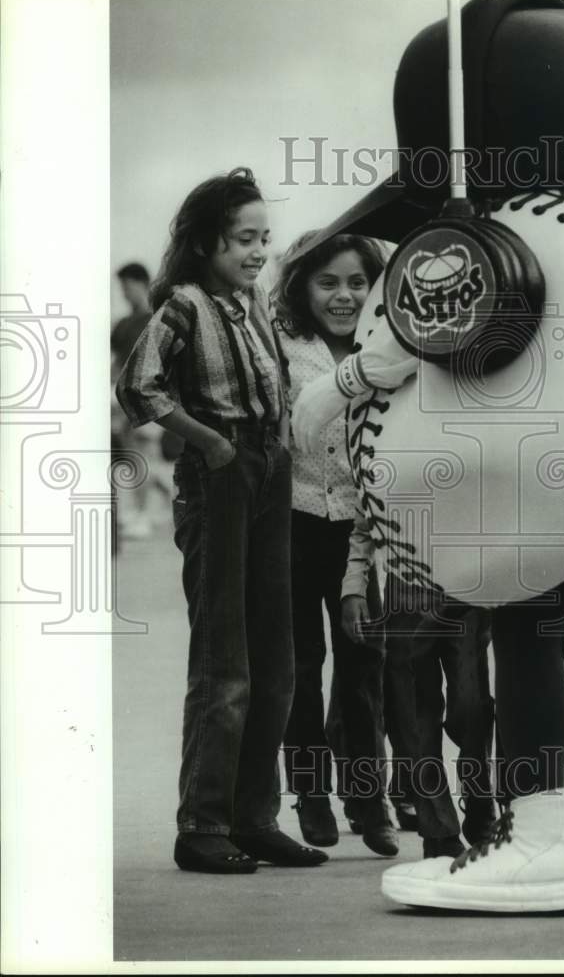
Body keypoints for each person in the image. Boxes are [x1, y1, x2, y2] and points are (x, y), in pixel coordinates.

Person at [292, 0, 564, 912]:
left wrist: (339, 389)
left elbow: (353, 388)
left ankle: (546, 843)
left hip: (530, 487)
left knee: (529, 638)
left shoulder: (470, 242)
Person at [116, 167, 326, 874]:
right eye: (245, 238)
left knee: (278, 662)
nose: (258, 250)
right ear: (208, 241)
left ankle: (254, 817)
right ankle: (202, 825)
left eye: (264, 237)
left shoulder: (253, 303)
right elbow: (136, 386)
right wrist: (207, 442)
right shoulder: (181, 306)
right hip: (221, 475)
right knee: (224, 663)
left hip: (266, 468)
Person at [272, 231, 399, 858]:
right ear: (302, 288)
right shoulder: (283, 348)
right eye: (328, 283)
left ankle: (368, 800)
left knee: (362, 666)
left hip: (359, 531)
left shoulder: (384, 348)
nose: (344, 296)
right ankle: (310, 794)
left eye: (357, 283)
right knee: (299, 666)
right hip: (294, 523)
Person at [341, 516, 498, 860]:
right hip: (407, 590)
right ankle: (437, 829)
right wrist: (354, 584)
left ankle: (479, 796)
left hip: (467, 578)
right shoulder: (382, 461)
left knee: (471, 708)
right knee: (415, 718)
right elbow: (365, 522)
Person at [111, 262, 169, 540]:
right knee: (139, 458)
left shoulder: (154, 320)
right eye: (121, 287)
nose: (123, 293)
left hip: (147, 398)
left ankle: (143, 514)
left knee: (143, 457)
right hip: (123, 399)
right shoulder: (123, 324)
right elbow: (116, 363)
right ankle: (166, 501)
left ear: (141, 284)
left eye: (127, 287)